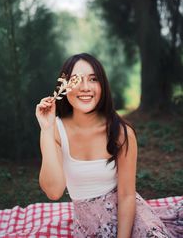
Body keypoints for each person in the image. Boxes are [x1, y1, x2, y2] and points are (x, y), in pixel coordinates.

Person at [36, 53, 183, 238]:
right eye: (75, 80)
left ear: (102, 85)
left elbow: (127, 196)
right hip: (88, 226)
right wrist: (47, 129)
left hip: (129, 217)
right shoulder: (54, 130)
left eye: (93, 79)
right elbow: (53, 191)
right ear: (64, 87)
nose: (85, 87)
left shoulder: (121, 132)